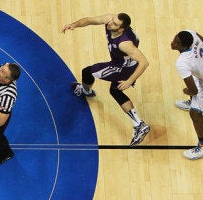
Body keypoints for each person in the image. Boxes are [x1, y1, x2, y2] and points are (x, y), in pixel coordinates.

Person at [61, 13, 151, 146]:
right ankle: (139, 124)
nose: (110, 24)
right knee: (115, 91)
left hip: (122, 67)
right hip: (126, 62)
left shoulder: (124, 44)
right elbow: (89, 20)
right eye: (112, 21)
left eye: (115, 24)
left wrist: (129, 80)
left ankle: (85, 91)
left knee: (88, 71)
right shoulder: (110, 20)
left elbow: (144, 62)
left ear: (121, 29)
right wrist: (74, 25)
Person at [171, 30, 203, 160]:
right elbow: (202, 37)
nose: (173, 43)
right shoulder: (190, 34)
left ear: (184, 46)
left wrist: (187, 91)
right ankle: (192, 102)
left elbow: (194, 90)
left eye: (177, 43)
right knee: (193, 77)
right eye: (175, 38)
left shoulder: (182, 62)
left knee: (195, 113)